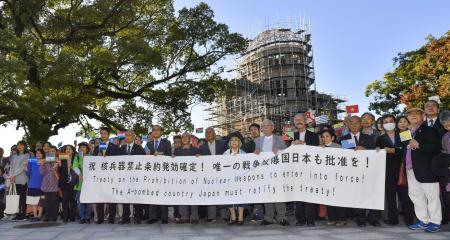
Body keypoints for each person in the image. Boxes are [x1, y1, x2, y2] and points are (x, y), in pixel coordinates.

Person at [404, 108, 442, 233]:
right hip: (410, 169)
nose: (413, 116)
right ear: (407, 118)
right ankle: (423, 220)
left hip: (427, 169)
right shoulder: (405, 133)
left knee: (432, 196)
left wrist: (419, 145)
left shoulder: (430, 130)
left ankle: (435, 222)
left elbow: (436, 148)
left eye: (416, 114)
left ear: (423, 116)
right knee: (416, 196)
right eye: (410, 114)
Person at [376, 115, 414, 226]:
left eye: (391, 121)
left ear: (395, 122)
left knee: (405, 196)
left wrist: (394, 151)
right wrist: (378, 150)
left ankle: (409, 220)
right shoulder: (380, 138)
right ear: (382, 125)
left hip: (402, 169)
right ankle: (393, 219)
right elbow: (377, 152)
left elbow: (407, 151)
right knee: (390, 196)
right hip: (387, 170)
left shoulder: (404, 134)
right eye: (386, 122)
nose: (389, 123)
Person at [340, 116, 378, 227]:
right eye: (352, 122)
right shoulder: (343, 139)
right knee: (357, 195)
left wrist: (366, 151)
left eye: (357, 122)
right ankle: (360, 218)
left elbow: (375, 153)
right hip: (351, 172)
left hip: (367, 171)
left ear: (361, 124)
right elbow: (341, 154)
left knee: (368, 194)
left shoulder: (370, 138)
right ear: (348, 124)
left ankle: (372, 217)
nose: (354, 125)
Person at [255, 119, 289, 226]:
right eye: (263, 126)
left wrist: (279, 150)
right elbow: (255, 155)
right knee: (267, 194)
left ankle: (282, 217)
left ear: (272, 127)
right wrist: (256, 152)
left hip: (277, 171)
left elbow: (287, 152)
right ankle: (268, 218)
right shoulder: (258, 140)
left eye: (267, 125)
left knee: (279, 194)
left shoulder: (280, 139)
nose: (264, 127)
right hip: (264, 171)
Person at [292, 113, 320, 227]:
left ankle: (311, 219)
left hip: (310, 169)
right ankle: (300, 219)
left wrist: (303, 144)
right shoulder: (290, 135)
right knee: (298, 195)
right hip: (296, 170)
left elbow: (316, 149)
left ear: (305, 121)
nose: (298, 121)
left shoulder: (313, 135)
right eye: (296, 120)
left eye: (300, 119)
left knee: (310, 194)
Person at [93, 127, 121, 224]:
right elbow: (93, 163)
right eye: (101, 133)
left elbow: (118, 161)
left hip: (111, 176)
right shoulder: (96, 148)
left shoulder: (114, 147)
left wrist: (108, 158)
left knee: (111, 197)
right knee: (100, 197)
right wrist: (97, 158)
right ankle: (100, 218)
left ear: (108, 135)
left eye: (105, 133)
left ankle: (111, 218)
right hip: (100, 177)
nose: (103, 135)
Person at [320, 129, 347, 226]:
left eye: (327, 136)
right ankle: (332, 219)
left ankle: (342, 219)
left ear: (332, 137)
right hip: (326, 177)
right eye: (323, 137)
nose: (325, 138)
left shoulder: (338, 147)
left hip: (337, 176)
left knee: (338, 199)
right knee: (329, 198)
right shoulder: (319, 148)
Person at [145, 125, 172, 224]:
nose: (156, 132)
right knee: (152, 194)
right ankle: (153, 217)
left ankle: (164, 217)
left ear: (161, 132)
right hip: (152, 174)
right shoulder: (149, 143)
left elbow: (170, 156)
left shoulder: (167, 142)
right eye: (154, 130)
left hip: (163, 173)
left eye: (158, 130)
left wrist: (161, 155)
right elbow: (145, 158)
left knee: (163, 195)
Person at [199, 127, 226, 223]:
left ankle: (225, 215)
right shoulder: (202, 147)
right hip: (209, 175)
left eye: (210, 132)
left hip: (221, 174)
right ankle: (211, 216)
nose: (208, 134)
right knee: (211, 194)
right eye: (206, 133)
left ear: (214, 134)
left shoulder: (222, 144)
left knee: (222, 194)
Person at [119, 130, 146, 224]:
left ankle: (138, 217)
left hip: (136, 177)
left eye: (129, 135)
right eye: (126, 135)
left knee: (136, 197)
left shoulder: (139, 148)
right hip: (124, 178)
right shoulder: (121, 148)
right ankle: (125, 216)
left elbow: (144, 163)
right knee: (125, 197)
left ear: (134, 137)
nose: (127, 137)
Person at [174, 132, 200, 224]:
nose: (184, 138)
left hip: (193, 179)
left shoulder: (195, 150)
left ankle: (194, 217)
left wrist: (199, 158)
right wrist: (172, 158)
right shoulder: (177, 150)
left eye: (186, 137)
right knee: (183, 197)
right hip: (181, 179)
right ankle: (184, 217)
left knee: (193, 198)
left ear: (190, 139)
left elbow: (200, 164)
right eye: (183, 137)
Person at [223, 132, 247, 225]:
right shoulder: (225, 154)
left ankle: (240, 217)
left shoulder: (244, 154)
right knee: (229, 197)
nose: (234, 142)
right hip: (228, 180)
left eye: (236, 140)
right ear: (229, 143)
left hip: (241, 180)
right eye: (232, 140)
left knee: (241, 196)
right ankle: (233, 216)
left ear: (239, 142)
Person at [9, 140, 29, 221]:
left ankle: (23, 214)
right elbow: (12, 167)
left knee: (22, 197)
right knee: (18, 197)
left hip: (22, 178)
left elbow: (23, 168)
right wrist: (11, 176)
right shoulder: (14, 156)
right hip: (15, 179)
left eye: (21, 145)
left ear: (24, 146)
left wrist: (14, 175)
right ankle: (19, 213)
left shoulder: (26, 155)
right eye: (18, 145)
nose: (19, 146)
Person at [58, 145, 78, 222]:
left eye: (70, 149)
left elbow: (78, 170)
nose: (68, 150)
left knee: (73, 200)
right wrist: (59, 165)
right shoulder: (62, 158)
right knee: (65, 200)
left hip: (74, 182)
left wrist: (71, 166)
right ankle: (65, 217)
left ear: (73, 151)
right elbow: (60, 172)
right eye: (67, 149)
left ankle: (72, 217)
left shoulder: (76, 159)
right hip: (64, 182)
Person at [40, 146, 59, 222]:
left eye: (53, 151)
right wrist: (42, 164)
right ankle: (47, 216)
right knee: (47, 201)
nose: (51, 152)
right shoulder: (45, 160)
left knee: (54, 201)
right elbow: (42, 172)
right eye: (50, 151)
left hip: (55, 182)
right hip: (46, 182)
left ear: (56, 152)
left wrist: (56, 165)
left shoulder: (58, 160)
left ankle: (54, 216)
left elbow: (59, 172)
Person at [74, 142, 92, 224]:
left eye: (84, 147)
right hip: (80, 183)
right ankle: (82, 217)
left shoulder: (91, 157)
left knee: (89, 201)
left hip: (89, 182)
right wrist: (79, 174)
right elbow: (75, 166)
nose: (82, 148)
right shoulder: (77, 157)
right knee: (80, 201)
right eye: (80, 147)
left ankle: (88, 217)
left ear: (87, 149)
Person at [24, 149, 44, 222]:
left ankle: (39, 215)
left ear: (43, 154)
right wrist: (25, 167)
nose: (38, 154)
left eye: (40, 153)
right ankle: (35, 216)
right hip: (32, 185)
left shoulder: (45, 162)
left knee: (41, 202)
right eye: (37, 153)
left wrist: (42, 165)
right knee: (33, 202)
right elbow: (28, 174)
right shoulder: (31, 161)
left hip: (42, 185)